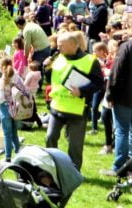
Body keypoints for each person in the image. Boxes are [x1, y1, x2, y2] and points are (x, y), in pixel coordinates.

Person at [46, 31, 104, 170]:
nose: (58, 48)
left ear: (73, 45)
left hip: (77, 110)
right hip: (57, 107)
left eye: (61, 45)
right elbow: (52, 79)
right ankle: (53, 167)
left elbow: (99, 83)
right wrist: (46, 68)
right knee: (50, 137)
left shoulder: (90, 61)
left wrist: (82, 91)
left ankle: (73, 174)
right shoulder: (58, 57)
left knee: (75, 146)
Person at [104, 37, 132, 176]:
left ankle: (119, 167)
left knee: (122, 131)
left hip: (125, 97)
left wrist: (110, 95)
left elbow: (117, 71)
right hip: (126, 95)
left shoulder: (127, 46)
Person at [0, 58, 23, 161]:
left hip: (4, 107)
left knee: (7, 134)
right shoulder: (17, 78)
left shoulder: (0, 81)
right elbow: (24, 90)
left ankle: (7, 157)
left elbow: (0, 98)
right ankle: (18, 152)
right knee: (14, 131)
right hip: (15, 106)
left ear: (1, 68)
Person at [89, 42, 108, 134]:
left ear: (101, 51)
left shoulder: (108, 60)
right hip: (98, 86)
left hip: (107, 86)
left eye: (95, 51)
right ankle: (94, 128)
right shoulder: (93, 60)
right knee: (94, 106)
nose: (93, 53)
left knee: (107, 108)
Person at [23, 61, 43, 127]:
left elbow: (26, 83)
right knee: (33, 98)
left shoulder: (30, 74)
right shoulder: (39, 74)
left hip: (29, 89)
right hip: (35, 88)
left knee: (30, 102)